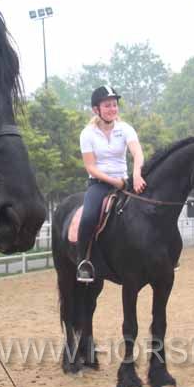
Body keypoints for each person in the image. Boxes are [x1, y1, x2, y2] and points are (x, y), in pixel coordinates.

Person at [76, 86, 146, 282]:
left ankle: (165, 253)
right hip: (100, 184)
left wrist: (137, 173)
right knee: (89, 217)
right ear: (96, 109)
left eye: (114, 105)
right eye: (107, 105)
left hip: (126, 180)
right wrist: (115, 182)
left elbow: (137, 153)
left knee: (152, 205)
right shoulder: (87, 134)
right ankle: (84, 262)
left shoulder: (125, 129)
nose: (112, 109)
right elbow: (91, 167)